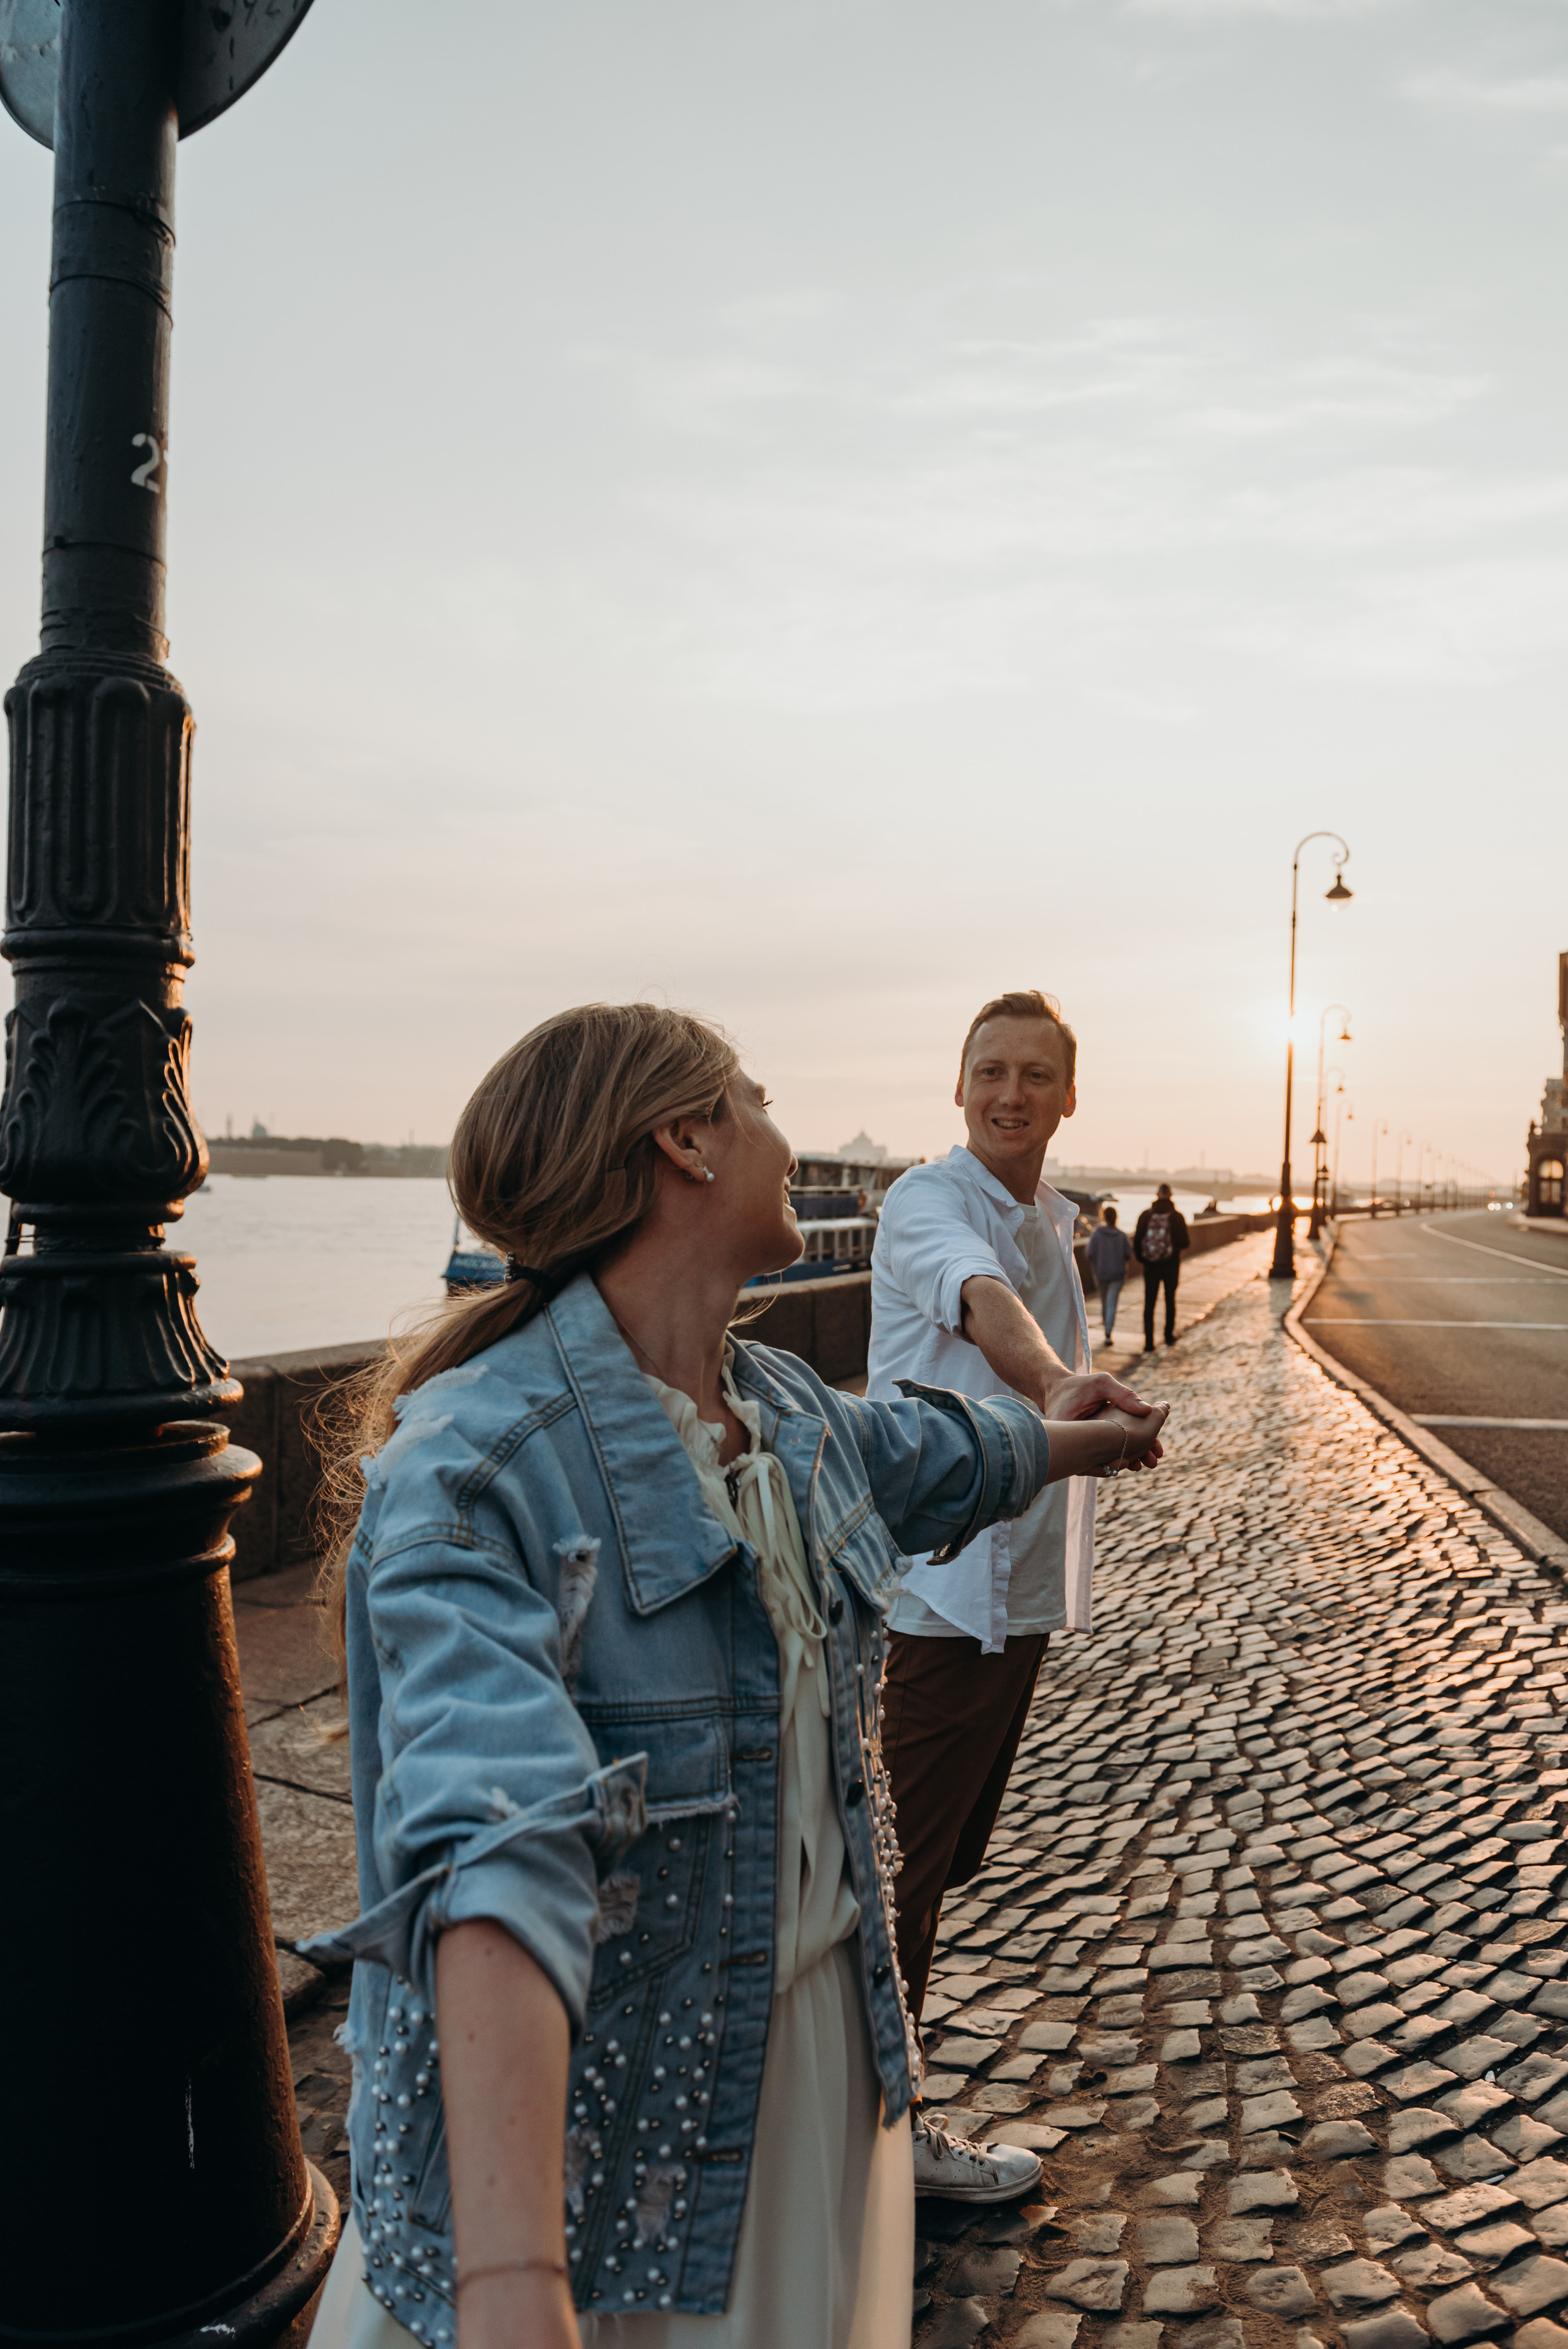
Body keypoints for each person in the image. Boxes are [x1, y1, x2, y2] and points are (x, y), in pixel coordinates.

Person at [300, 1002, 1166, 2349]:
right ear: (686, 1144)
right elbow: (492, 1848)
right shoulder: (474, 1465)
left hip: (808, 2073)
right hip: (620, 2146)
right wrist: (513, 2286)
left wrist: (1061, 1440)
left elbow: (921, 1453)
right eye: (752, 1098)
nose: (785, 1133)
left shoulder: (767, 1400)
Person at [866, 989, 1166, 2204]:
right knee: (895, 1874)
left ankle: (867, 2125)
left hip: (1012, 1604)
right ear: (955, 1086)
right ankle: (879, 2146)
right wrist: (1056, 1385)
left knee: (935, 1864)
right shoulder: (928, 1204)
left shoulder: (1049, 1213)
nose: (1007, 1092)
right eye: (987, 1070)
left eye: (1032, 1075)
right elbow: (980, 1305)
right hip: (937, 1597)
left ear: (1066, 1096)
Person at [1133, 1181, 1191, 1352]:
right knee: (1170, 1300)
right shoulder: (1177, 1217)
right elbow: (1185, 1242)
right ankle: (1168, 1336)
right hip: (1171, 1266)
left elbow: (1137, 1241)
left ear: (1156, 1195)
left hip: (1151, 1267)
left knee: (1149, 1304)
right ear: (1171, 1196)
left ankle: (1149, 1342)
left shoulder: (1146, 1215)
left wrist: (1146, 1259)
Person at [1085, 1203, 1133, 1348]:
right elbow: (1129, 1254)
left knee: (1104, 1302)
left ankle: (1106, 1328)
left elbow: (1088, 1253)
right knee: (1112, 1303)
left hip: (1100, 1273)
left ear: (1104, 1218)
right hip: (1118, 1274)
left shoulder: (1096, 1234)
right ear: (1116, 1218)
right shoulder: (1122, 1235)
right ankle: (1108, 1333)